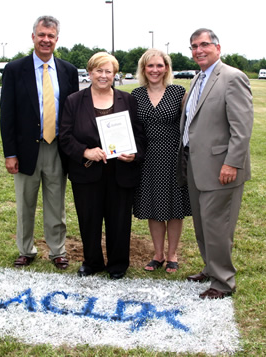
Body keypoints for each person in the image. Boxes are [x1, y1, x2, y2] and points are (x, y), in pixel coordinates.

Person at [177, 28, 253, 299]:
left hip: (222, 168)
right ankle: (211, 268)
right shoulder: (197, 77)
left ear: (217, 48)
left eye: (204, 45)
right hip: (196, 166)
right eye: (194, 46)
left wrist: (232, 163)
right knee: (202, 224)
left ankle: (223, 282)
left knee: (218, 226)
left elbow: (242, 128)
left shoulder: (233, 78)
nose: (198, 50)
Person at [0, 15, 79, 270]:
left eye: (51, 36)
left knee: (56, 203)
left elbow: (73, 112)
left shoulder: (68, 71)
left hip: (57, 147)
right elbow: (7, 115)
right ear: (33, 37)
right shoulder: (14, 70)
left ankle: (57, 250)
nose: (46, 40)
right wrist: (10, 153)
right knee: (25, 203)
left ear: (57, 39)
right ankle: (26, 249)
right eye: (42, 35)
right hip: (25, 150)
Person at [60, 52, 146, 279]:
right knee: (89, 219)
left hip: (120, 171)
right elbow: (65, 137)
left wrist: (133, 154)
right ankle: (92, 262)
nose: (103, 75)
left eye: (108, 71)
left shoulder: (127, 100)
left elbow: (139, 136)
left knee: (119, 220)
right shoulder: (74, 101)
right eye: (99, 70)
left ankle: (118, 264)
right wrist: (85, 152)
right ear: (89, 72)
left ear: (115, 75)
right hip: (87, 171)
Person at [132, 49, 191, 273]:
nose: (155, 70)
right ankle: (157, 254)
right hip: (147, 158)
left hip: (173, 157)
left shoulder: (178, 92)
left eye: (159, 65)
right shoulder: (136, 95)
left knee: (174, 208)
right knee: (154, 207)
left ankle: (173, 254)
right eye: (150, 66)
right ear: (144, 69)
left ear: (166, 68)